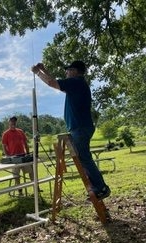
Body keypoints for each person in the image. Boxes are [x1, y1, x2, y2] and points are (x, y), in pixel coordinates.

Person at [31, 60, 111, 200]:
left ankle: (101, 188)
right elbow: (57, 83)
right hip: (80, 127)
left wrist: (38, 72)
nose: (66, 72)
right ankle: (96, 187)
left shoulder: (76, 82)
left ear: (74, 71)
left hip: (80, 128)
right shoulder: (77, 84)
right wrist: (44, 69)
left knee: (84, 158)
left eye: (68, 70)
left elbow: (51, 83)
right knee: (83, 158)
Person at [2, 116, 34, 195]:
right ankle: (20, 190)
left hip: (23, 156)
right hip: (13, 158)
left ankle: (35, 187)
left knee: (31, 172)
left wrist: (28, 153)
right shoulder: (5, 134)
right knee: (16, 175)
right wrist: (8, 156)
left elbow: (25, 143)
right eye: (12, 121)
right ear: (9, 122)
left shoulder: (20, 131)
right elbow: (4, 146)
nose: (13, 123)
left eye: (14, 121)